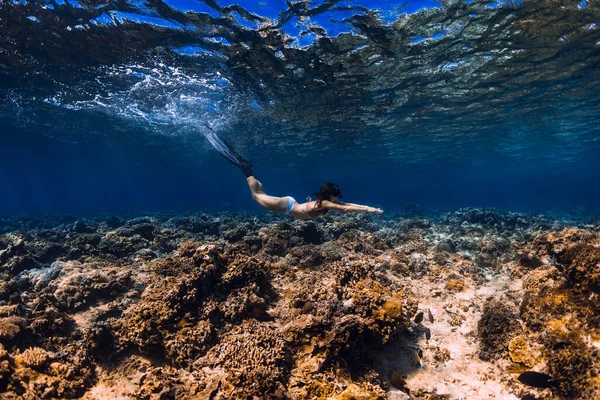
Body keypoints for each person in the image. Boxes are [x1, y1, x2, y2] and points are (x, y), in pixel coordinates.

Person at [213, 131, 383, 219]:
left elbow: (347, 204)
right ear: (330, 195)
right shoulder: (325, 202)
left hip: (290, 204)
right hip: (286, 206)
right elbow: (345, 208)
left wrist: (369, 208)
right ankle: (246, 170)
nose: (338, 199)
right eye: (336, 196)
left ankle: (248, 170)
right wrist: (370, 211)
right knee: (257, 196)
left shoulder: (325, 202)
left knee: (261, 194)